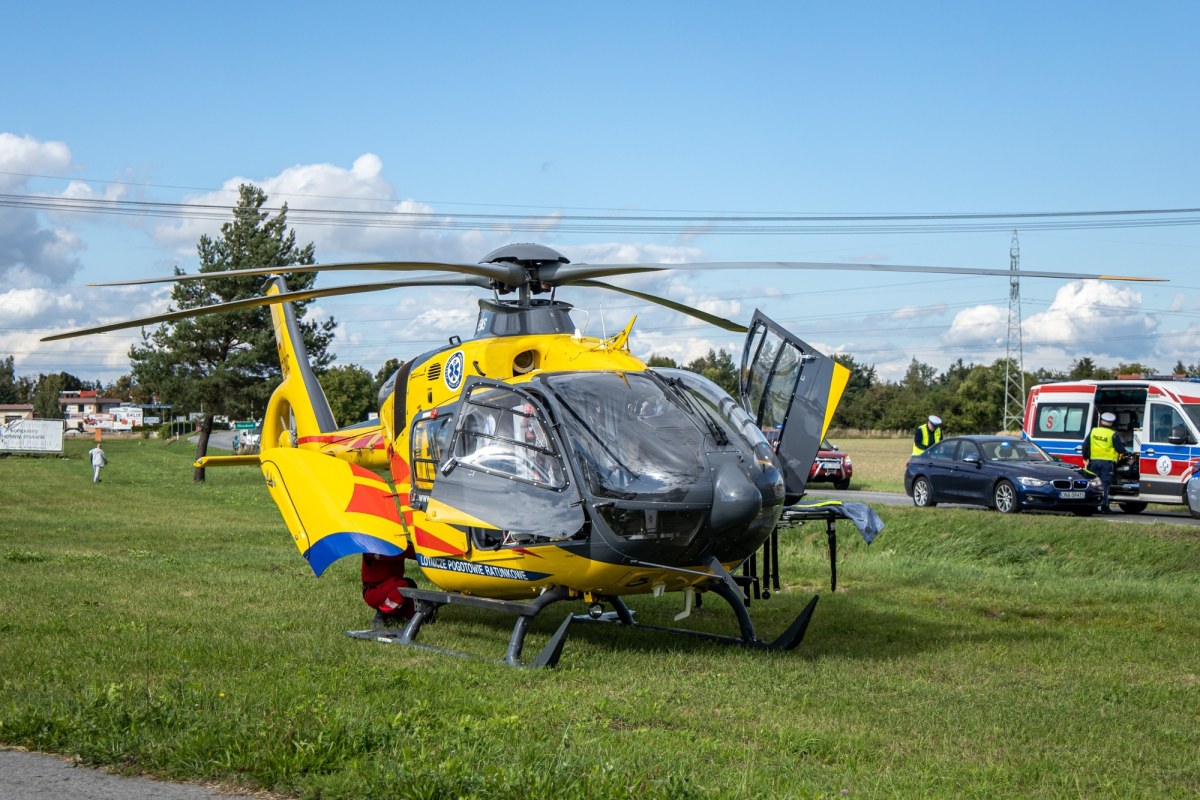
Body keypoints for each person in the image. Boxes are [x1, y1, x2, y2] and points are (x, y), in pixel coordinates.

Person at [361, 544, 416, 628]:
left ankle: (395, 614)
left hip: (393, 588)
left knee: (419, 614)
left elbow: (416, 553)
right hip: (374, 591)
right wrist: (405, 550)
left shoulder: (400, 545)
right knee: (406, 584)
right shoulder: (370, 545)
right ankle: (383, 613)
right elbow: (388, 555)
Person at [1082, 411, 1127, 513]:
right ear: (1111, 423)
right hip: (1107, 464)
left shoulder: (1093, 431)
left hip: (1094, 462)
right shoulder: (1113, 434)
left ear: (1101, 421)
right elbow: (1120, 449)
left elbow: (1085, 445)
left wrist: (1086, 457)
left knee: (1094, 484)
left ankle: (1093, 506)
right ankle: (1104, 507)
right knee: (1105, 485)